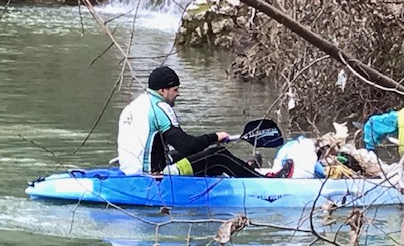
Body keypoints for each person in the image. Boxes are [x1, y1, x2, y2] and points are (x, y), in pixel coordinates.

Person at [117, 66, 285, 178]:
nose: (178, 94)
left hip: (131, 170)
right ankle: (262, 180)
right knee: (218, 155)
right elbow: (186, 145)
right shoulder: (160, 108)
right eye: (175, 90)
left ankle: (246, 168)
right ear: (162, 90)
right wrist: (215, 136)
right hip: (155, 175)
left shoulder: (133, 106)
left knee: (194, 154)